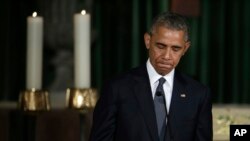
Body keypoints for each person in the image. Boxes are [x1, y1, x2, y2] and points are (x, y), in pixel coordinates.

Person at [89, 11, 212, 141]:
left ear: (185, 49)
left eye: (175, 49)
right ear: (148, 41)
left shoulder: (198, 94)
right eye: (161, 46)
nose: (166, 56)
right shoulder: (117, 88)